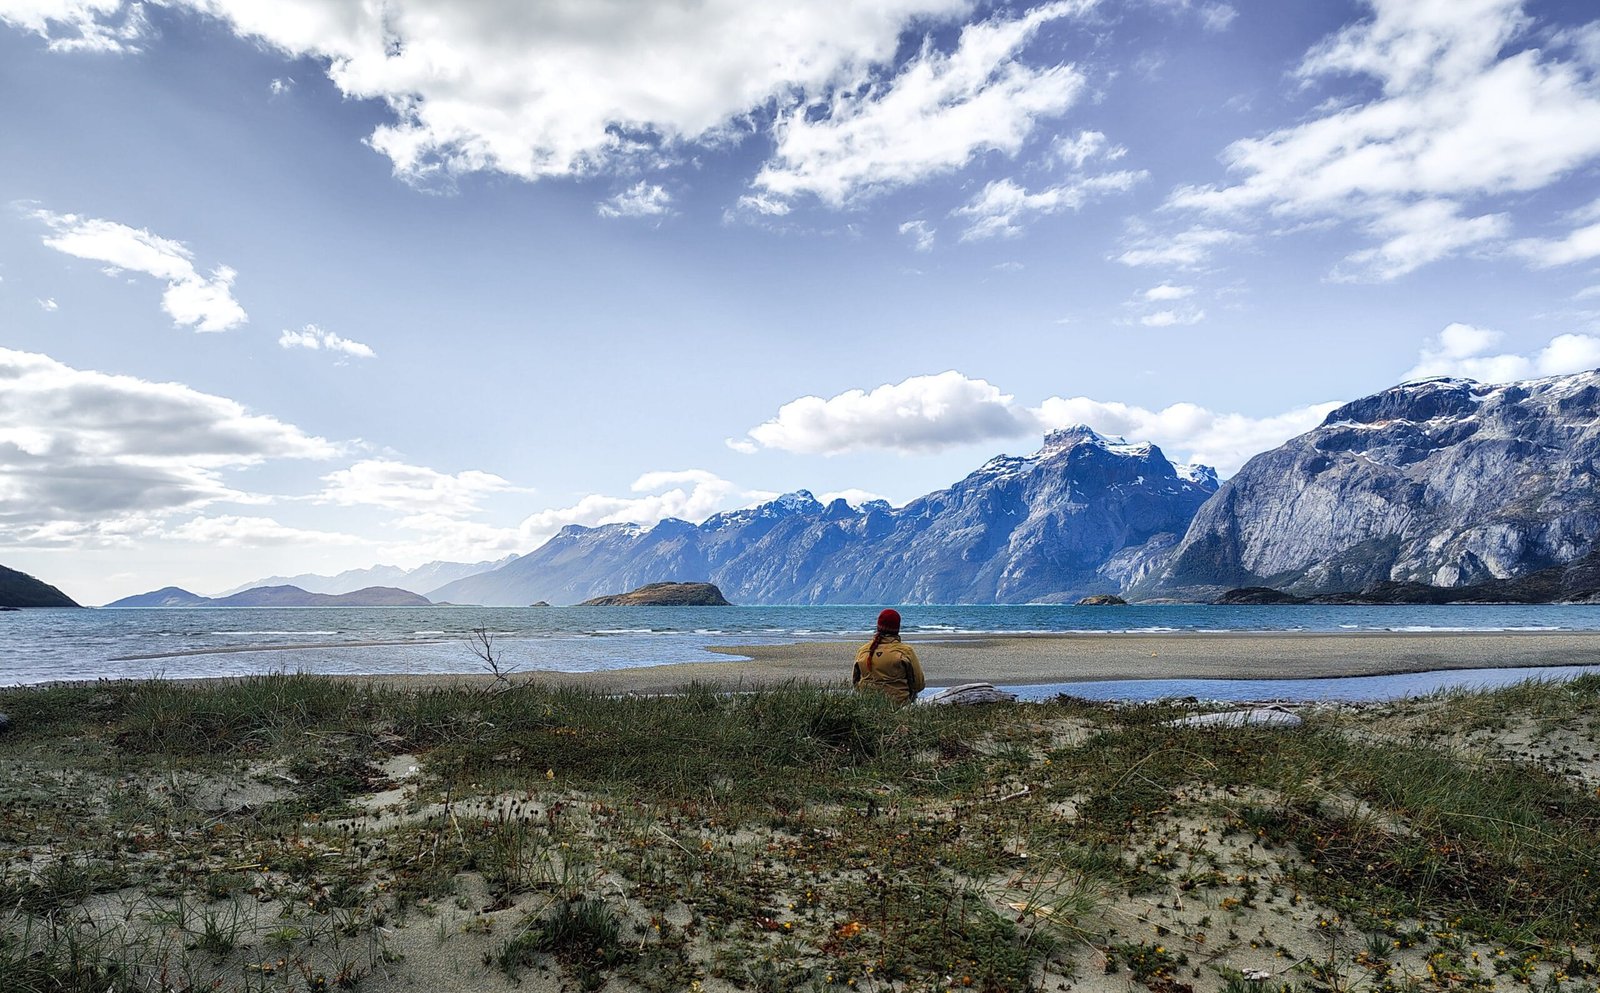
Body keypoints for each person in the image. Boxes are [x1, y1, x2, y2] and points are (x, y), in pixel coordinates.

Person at [853, 608, 925, 704]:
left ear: (878, 626)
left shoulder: (863, 650)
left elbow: (855, 681)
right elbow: (919, 685)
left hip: (867, 705)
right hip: (899, 706)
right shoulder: (906, 651)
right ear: (897, 628)